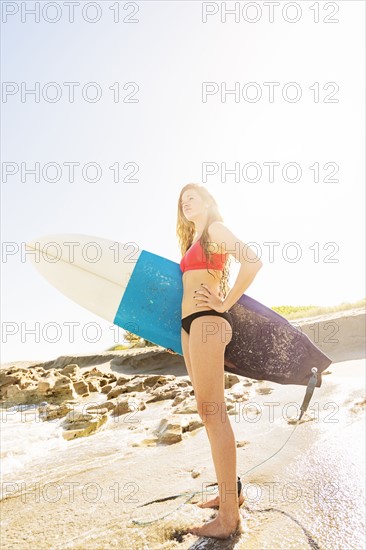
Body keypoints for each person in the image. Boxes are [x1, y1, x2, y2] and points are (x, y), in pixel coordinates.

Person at [175, 183, 263, 539]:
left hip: (209, 321)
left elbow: (253, 260)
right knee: (205, 411)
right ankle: (232, 492)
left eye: (192, 196)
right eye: (182, 201)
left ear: (209, 201)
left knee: (213, 411)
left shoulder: (215, 229)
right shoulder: (193, 240)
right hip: (189, 325)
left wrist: (224, 302)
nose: (186, 202)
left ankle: (228, 519)